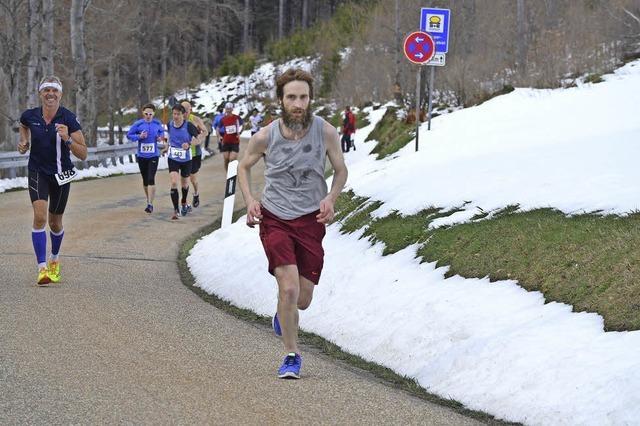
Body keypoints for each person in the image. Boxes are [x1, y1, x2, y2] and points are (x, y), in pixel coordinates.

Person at [237, 68, 348, 379]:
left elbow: (340, 170)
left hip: (311, 220)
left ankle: (282, 315)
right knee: (288, 288)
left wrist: (331, 199)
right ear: (281, 100)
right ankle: (291, 355)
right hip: (275, 218)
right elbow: (243, 167)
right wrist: (250, 201)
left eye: (303, 97)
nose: (298, 103)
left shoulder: (325, 132)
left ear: (310, 98)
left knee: (302, 298)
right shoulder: (264, 136)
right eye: (291, 97)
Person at [17, 75, 88, 285]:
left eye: (54, 90)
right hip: (37, 171)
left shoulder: (69, 118)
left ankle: (54, 258)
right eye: (46, 90)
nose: (50, 94)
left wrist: (67, 138)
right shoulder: (30, 115)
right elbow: (23, 125)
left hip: (61, 174)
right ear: (40, 93)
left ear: (60, 94)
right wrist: (24, 141)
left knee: (55, 223)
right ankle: (42, 269)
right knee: (39, 217)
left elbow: (83, 153)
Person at [161, 104, 199, 220]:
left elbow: (197, 139)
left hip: (186, 159)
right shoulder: (169, 125)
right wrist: (167, 147)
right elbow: (169, 137)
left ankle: (183, 202)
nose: (175, 116)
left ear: (183, 114)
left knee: (185, 184)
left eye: (178, 114)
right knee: (173, 182)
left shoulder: (189, 126)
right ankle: (176, 210)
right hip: (173, 158)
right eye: (174, 114)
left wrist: (189, 144)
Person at [126, 103, 165, 213]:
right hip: (142, 156)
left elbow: (162, 133)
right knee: (145, 179)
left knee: (151, 178)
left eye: (150, 114)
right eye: (146, 113)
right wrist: (139, 136)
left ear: (154, 113)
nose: (148, 115)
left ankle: (150, 204)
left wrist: (160, 137)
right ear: (143, 113)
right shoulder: (138, 124)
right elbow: (129, 135)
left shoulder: (157, 123)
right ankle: (148, 199)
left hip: (153, 155)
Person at [180, 100, 207, 209]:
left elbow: (205, 131)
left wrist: (199, 139)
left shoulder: (196, 119)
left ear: (190, 110)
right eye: (183, 111)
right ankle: (184, 202)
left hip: (195, 154)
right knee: (184, 179)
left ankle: (196, 194)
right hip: (182, 154)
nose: (184, 113)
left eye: (187, 111)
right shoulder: (178, 120)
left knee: (193, 179)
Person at [216, 102, 244, 172]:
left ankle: (234, 172)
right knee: (226, 159)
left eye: (230, 109)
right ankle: (228, 174)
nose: (228, 110)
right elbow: (217, 128)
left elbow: (243, 124)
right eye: (227, 109)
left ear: (232, 109)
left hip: (235, 141)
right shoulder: (223, 119)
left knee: (232, 158)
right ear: (225, 109)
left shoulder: (236, 118)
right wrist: (219, 136)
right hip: (226, 141)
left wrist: (240, 132)